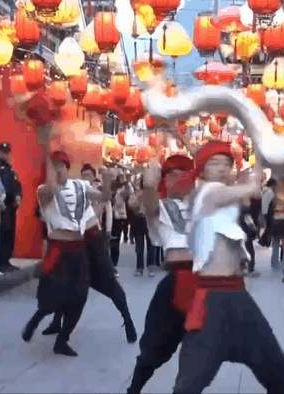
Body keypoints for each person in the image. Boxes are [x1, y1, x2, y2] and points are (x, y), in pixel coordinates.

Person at [173, 141, 284, 394]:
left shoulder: (223, 195)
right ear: (202, 169)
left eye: (227, 164)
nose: (222, 168)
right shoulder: (208, 193)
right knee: (190, 383)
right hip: (212, 299)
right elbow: (252, 190)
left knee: (278, 366)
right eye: (214, 163)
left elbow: (248, 194)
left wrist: (257, 162)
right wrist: (258, 163)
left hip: (237, 294)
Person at [21, 151, 111, 357]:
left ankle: (62, 340)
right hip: (58, 249)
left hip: (78, 249)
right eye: (55, 166)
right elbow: (51, 191)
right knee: (53, 295)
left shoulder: (81, 186)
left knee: (79, 297)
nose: (58, 169)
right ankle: (36, 319)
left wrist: (106, 180)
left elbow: (104, 197)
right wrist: (52, 174)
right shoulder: (43, 190)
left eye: (62, 165)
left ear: (68, 168)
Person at [40, 165, 138, 345]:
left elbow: (100, 211)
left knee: (111, 285)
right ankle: (56, 323)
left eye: (88, 176)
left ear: (94, 178)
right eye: (83, 175)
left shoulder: (96, 193)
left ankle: (128, 319)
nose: (85, 178)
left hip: (94, 245)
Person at [127, 155, 198, 394]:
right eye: (170, 175)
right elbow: (149, 197)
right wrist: (151, 177)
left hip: (206, 284)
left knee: (200, 353)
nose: (176, 179)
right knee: (154, 350)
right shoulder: (161, 208)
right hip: (176, 283)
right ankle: (133, 389)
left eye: (182, 174)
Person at [0, 142, 22, 273]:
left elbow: (16, 185)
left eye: (7, 152)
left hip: (10, 206)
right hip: (0, 207)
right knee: (1, 234)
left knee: (9, 233)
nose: (5, 155)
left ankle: (6, 260)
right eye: (3, 152)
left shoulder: (10, 169)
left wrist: (18, 196)